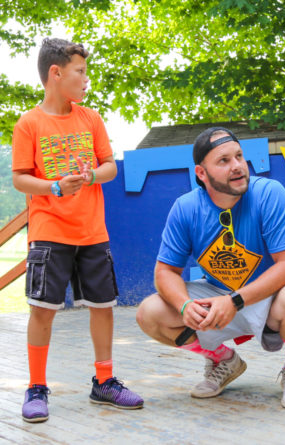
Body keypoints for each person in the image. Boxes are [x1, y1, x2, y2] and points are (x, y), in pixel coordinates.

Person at [136, 126, 285, 408]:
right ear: (201, 173)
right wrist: (186, 306)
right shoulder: (185, 208)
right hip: (217, 296)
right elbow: (164, 273)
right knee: (149, 313)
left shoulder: (269, 193)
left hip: (268, 299)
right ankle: (223, 360)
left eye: (239, 156)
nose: (237, 166)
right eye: (223, 161)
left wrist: (234, 301)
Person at [12, 38, 143, 423]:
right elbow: (20, 178)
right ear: (56, 73)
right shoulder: (29, 123)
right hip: (49, 231)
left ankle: (104, 381)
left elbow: (109, 167)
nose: (86, 79)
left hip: (92, 232)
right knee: (43, 310)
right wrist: (53, 186)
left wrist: (89, 177)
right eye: (80, 71)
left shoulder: (91, 119)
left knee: (102, 307)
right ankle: (36, 387)